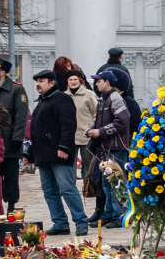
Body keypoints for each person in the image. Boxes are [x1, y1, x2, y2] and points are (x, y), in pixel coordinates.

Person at [25, 70, 89, 235]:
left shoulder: (62, 99)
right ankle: (60, 223)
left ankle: (81, 222)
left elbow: (68, 125)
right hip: (44, 156)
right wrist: (29, 154)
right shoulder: (42, 101)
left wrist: (64, 147)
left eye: (42, 81)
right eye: (37, 81)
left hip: (59, 154)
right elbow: (38, 132)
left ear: (52, 83)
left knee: (67, 188)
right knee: (49, 191)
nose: (38, 84)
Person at [0, 56, 29, 214]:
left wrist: (17, 139)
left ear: (3, 72)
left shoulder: (16, 90)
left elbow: (21, 117)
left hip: (9, 142)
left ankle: (10, 206)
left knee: (10, 178)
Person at [86, 70, 130, 228]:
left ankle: (119, 216)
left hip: (116, 148)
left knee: (116, 183)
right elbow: (100, 124)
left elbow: (123, 121)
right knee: (106, 183)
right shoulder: (102, 100)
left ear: (108, 82)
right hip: (105, 148)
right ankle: (110, 213)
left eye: (99, 81)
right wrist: (92, 130)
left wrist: (100, 132)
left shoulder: (114, 98)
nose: (96, 83)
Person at [66, 68, 98, 182]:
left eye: (75, 79)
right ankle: (70, 188)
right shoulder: (64, 96)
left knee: (89, 164)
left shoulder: (88, 94)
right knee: (69, 166)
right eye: (70, 79)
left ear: (80, 81)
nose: (73, 82)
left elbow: (95, 112)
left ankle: (91, 187)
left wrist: (95, 128)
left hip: (86, 135)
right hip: (70, 136)